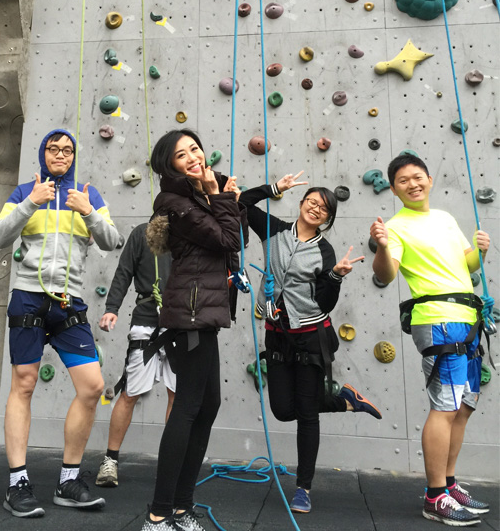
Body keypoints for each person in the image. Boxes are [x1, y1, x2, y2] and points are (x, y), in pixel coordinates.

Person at [0, 128, 119, 518]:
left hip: (69, 302)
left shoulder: (88, 194)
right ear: (43, 153)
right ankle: (17, 484)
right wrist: (30, 202)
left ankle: (68, 480)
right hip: (28, 297)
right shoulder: (24, 191)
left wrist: (88, 211)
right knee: (24, 383)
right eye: (53, 148)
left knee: (92, 387)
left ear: (74, 156)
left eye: (67, 150)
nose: (60, 154)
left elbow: (111, 240)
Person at [240, 172, 383, 514]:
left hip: (310, 337)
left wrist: (335, 277)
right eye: (312, 202)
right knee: (282, 410)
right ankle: (344, 400)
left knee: (306, 415)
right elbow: (242, 203)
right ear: (302, 203)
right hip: (276, 334)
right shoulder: (273, 230)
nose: (316, 208)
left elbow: (324, 303)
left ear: (328, 219)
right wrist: (274, 188)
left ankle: (303, 488)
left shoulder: (324, 250)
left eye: (324, 208)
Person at [370, 153, 491, 527]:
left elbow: (466, 265)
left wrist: (480, 251)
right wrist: (383, 246)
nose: (413, 183)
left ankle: (449, 484)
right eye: (403, 180)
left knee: (464, 405)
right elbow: (386, 274)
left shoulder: (445, 218)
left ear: (430, 179)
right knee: (445, 407)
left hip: (467, 319)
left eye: (417, 176)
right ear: (394, 189)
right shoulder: (396, 228)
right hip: (438, 321)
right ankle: (435, 495)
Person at [140, 129, 247, 531]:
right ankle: (158, 514)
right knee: (187, 406)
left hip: (202, 313)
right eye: (182, 154)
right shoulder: (174, 202)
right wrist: (219, 196)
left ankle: (181, 508)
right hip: (190, 314)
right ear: (169, 166)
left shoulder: (200, 196)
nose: (193, 157)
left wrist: (227, 198)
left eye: (195, 149)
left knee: (208, 405)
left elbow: (236, 238)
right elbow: (225, 238)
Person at [95, 223, 175, 488]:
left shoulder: (189, 229)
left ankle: (171, 463)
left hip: (179, 321)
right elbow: (124, 270)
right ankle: (110, 460)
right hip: (146, 320)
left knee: (177, 395)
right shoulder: (142, 233)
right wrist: (112, 307)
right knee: (130, 393)